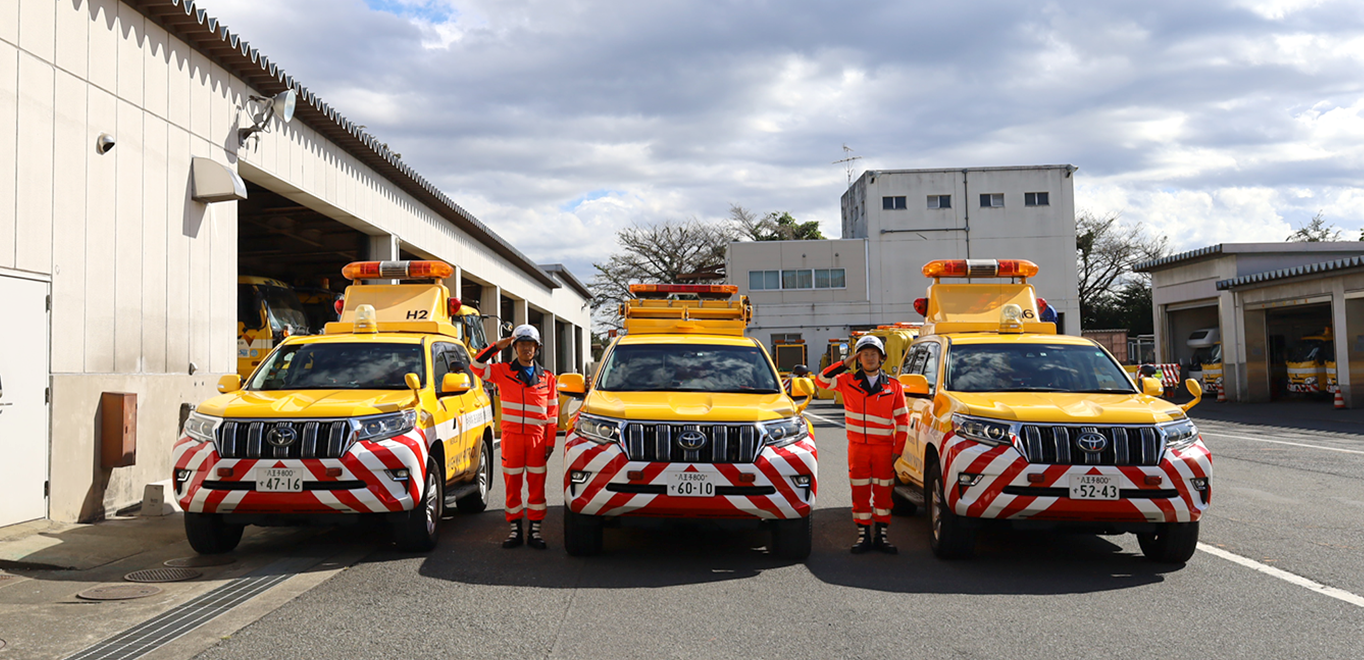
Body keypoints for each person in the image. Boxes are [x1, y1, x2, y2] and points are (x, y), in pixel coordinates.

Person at [814, 335, 910, 554]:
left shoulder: (894, 387)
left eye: (873, 354)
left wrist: (897, 450)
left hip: (885, 449)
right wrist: (845, 362)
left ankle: (882, 535)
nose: (869, 358)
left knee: (884, 492)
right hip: (857, 448)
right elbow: (821, 380)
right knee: (860, 491)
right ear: (859, 358)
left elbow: (903, 421)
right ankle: (863, 535)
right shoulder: (847, 381)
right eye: (864, 354)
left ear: (881, 358)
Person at [472, 324, 559, 549]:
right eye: (521, 344)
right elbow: (476, 365)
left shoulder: (548, 378)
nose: (526, 349)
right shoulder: (502, 371)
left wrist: (550, 442)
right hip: (511, 440)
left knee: (537, 485)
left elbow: (552, 414)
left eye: (530, 344)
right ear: (515, 347)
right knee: (513, 485)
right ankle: (515, 531)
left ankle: (536, 532)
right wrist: (495, 346)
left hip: (537, 440)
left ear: (537, 348)